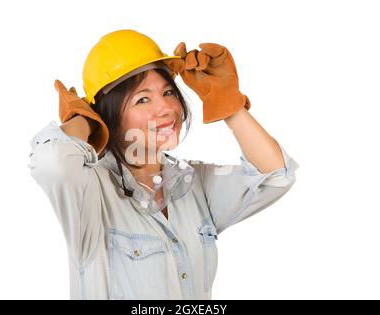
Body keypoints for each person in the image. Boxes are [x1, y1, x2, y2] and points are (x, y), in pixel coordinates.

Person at [28, 29, 299, 300]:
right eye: (142, 99)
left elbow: (275, 175)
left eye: (168, 92)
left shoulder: (195, 184)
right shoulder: (90, 191)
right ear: (107, 114)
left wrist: (229, 104)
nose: (166, 108)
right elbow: (51, 162)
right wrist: (85, 120)